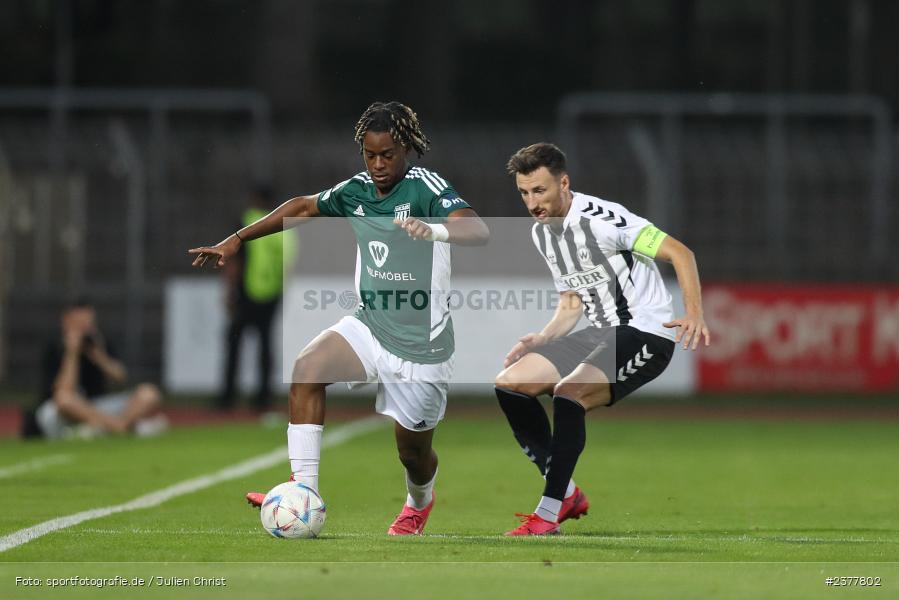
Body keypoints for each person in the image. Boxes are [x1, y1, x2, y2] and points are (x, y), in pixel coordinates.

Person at [189, 101, 489, 535]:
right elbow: (302, 207)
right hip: (371, 325)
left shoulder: (426, 187)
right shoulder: (356, 190)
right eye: (370, 155)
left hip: (422, 346)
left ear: (405, 149)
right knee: (307, 368)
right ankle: (303, 494)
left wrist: (436, 228)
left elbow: (477, 229)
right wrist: (237, 239)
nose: (378, 164)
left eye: (387, 154)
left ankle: (419, 500)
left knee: (413, 454)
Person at [495, 143, 710, 536]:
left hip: (645, 332)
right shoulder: (543, 234)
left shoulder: (604, 220)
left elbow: (681, 254)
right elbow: (572, 301)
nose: (532, 203)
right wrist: (541, 338)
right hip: (599, 332)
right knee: (511, 384)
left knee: (569, 393)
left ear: (564, 183)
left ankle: (548, 512)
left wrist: (694, 312)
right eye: (524, 193)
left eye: (540, 190)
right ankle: (568, 493)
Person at [22, 298, 165, 439]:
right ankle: (123, 428)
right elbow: (62, 392)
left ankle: (108, 427)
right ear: (66, 321)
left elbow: (121, 377)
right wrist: (72, 354)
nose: (84, 328)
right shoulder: (54, 347)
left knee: (148, 393)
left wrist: (100, 357)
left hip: (97, 406)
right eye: (79, 324)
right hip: (61, 411)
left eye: (88, 323)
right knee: (64, 399)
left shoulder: (99, 342)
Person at [219, 184, 296, 412]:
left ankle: (228, 396)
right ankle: (263, 397)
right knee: (265, 344)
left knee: (234, 341)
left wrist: (229, 291)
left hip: (246, 290)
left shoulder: (247, 222)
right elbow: (289, 263)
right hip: (272, 292)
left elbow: (235, 259)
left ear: (255, 199)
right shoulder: (283, 228)